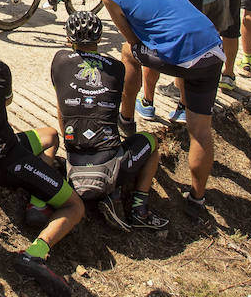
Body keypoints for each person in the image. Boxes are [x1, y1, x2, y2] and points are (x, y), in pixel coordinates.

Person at [90, 0, 224, 221]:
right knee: (200, 131)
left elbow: (131, 38)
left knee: (129, 53)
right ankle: (197, 199)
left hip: (182, 57)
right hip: (212, 48)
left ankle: (126, 118)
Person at [0, 17, 83, 297]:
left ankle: (38, 202)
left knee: (50, 135)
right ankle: (35, 253)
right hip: (7, 160)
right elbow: (5, 101)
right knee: (75, 206)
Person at [52, 12, 169, 231]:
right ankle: (139, 208)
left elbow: (61, 107)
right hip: (111, 166)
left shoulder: (59, 60)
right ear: (99, 39)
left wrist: (69, 143)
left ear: (69, 40)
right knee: (151, 141)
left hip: (74, 159)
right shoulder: (116, 68)